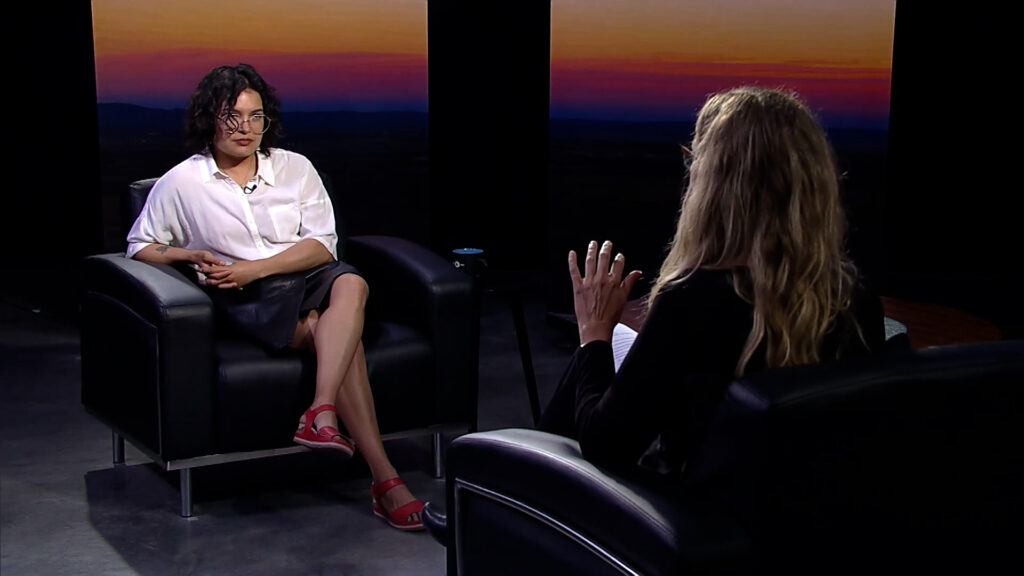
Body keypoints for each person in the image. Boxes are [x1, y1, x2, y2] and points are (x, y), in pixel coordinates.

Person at [125, 63, 424, 531]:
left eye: (255, 116)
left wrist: (256, 265)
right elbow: (139, 245)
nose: (245, 128)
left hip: (303, 273)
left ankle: (321, 408)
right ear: (209, 119)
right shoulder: (183, 182)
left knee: (352, 281)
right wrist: (191, 254)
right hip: (249, 296)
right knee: (337, 336)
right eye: (232, 116)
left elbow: (323, 245)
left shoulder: (294, 167)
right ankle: (385, 479)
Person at [537, 85, 886, 479]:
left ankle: (509, 498)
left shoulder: (693, 300)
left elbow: (605, 445)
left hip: (690, 521)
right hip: (804, 523)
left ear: (715, 188)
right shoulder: (853, 296)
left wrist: (594, 335)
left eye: (694, 165)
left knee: (597, 356)